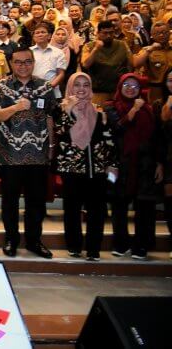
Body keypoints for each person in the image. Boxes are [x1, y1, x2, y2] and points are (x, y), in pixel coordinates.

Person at [0, 47, 57, 259]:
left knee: (35, 202)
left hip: (38, 154)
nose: (23, 66)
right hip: (10, 154)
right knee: (9, 201)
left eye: (27, 61)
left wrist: (50, 148)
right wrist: (17, 107)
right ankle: (11, 239)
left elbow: (50, 117)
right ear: (11, 64)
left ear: (33, 62)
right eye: (18, 62)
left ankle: (34, 241)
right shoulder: (1, 87)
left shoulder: (45, 87)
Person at [53, 72, 117, 261]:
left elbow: (109, 142)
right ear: (70, 88)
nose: (81, 89)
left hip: (95, 169)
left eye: (85, 85)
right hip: (71, 170)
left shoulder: (99, 113)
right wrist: (69, 111)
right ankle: (73, 246)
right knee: (72, 210)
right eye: (77, 85)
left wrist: (112, 165)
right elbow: (59, 132)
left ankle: (93, 249)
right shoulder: (60, 109)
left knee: (96, 211)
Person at [107, 73, 163, 260]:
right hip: (120, 165)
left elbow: (156, 138)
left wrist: (159, 163)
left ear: (140, 90)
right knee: (119, 207)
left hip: (144, 165)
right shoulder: (112, 107)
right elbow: (117, 129)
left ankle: (141, 245)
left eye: (135, 86)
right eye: (127, 85)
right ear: (120, 86)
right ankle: (121, 244)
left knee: (145, 208)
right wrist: (133, 111)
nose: (130, 89)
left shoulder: (149, 110)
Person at [81, 19, 132, 103]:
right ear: (98, 33)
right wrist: (96, 49)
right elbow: (85, 64)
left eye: (111, 33)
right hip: (98, 92)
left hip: (119, 92)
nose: (108, 36)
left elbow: (131, 64)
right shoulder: (89, 46)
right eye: (105, 33)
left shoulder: (122, 45)